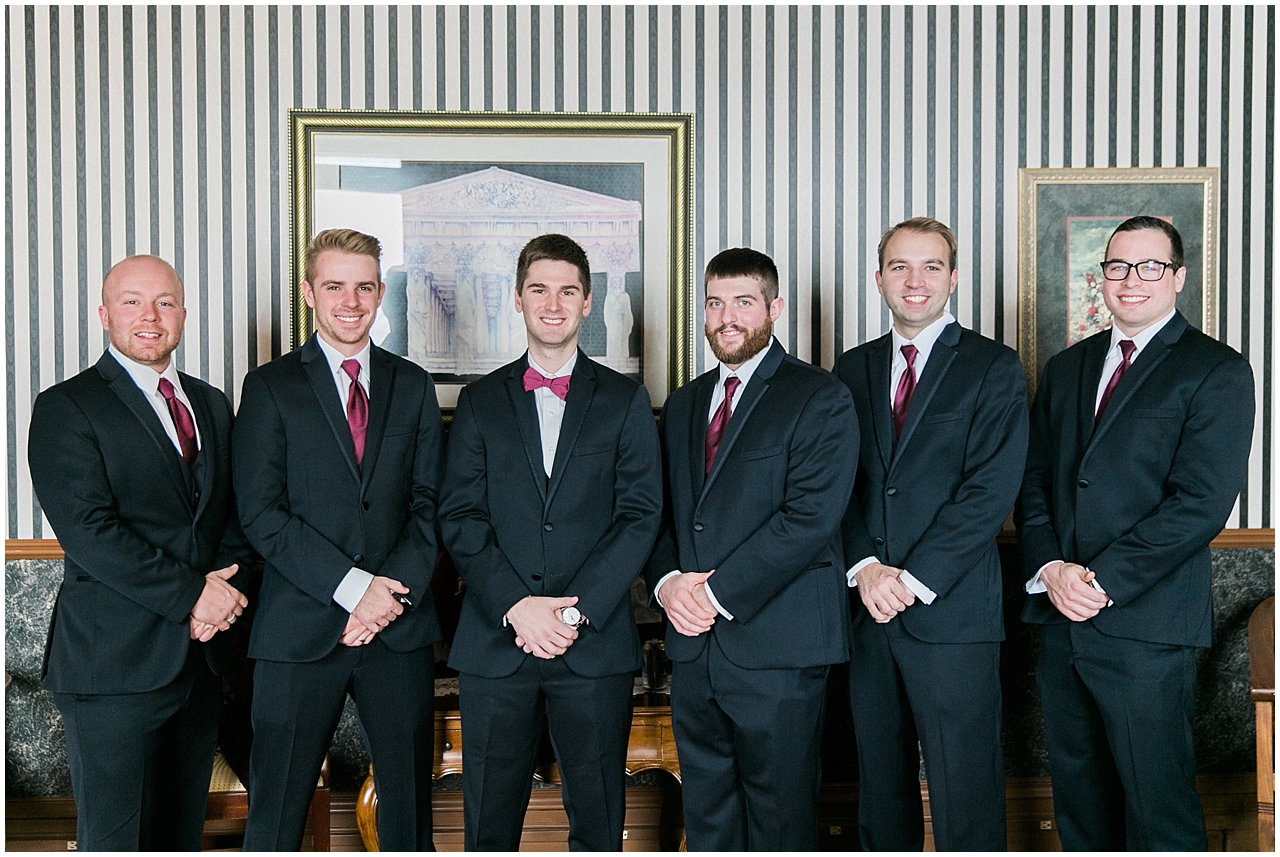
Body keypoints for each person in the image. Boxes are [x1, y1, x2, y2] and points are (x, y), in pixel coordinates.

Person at [1017, 215, 1255, 850]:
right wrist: (1050, 571)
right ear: (1102, 278)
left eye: (1150, 267)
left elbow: (1200, 505)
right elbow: (1034, 480)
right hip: (1062, 616)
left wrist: (1101, 581)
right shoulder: (1068, 368)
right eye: (1118, 266)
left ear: (1177, 278)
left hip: (1147, 624)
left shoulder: (1216, 371)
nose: (1131, 280)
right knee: (1080, 798)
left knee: (1157, 802)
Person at [440, 233, 662, 850]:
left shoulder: (624, 400)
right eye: (539, 288)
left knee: (597, 822)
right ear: (517, 299)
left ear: (589, 302)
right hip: (496, 643)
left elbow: (640, 516)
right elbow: (460, 516)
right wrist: (517, 606)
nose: (554, 302)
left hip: (592, 645)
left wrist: (571, 610)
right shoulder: (480, 402)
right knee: (488, 821)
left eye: (568, 290)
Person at [27, 255, 252, 850]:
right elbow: (90, 532)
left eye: (165, 302)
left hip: (201, 662)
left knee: (178, 836)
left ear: (183, 314)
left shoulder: (211, 404)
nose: (149, 316)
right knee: (116, 838)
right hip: (113, 664)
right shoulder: (66, 407)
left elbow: (233, 514)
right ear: (104, 315)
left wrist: (221, 599)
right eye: (131, 301)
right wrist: (193, 596)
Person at [234, 228, 444, 850]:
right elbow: (261, 514)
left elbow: (431, 506)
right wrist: (356, 591)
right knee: (275, 819)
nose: (349, 301)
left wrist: (387, 597)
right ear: (309, 293)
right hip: (299, 628)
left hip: (398, 629)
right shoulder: (270, 388)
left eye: (363, 287)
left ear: (381, 293)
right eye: (334, 286)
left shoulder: (413, 385)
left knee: (408, 819)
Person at [643, 247, 859, 850]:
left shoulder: (819, 397)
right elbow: (654, 512)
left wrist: (712, 592)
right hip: (693, 649)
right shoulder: (684, 403)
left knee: (781, 818)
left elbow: (810, 518)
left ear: (774, 308)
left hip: (780, 646)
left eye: (743, 302)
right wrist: (667, 585)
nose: (726, 317)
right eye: (714, 303)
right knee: (708, 816)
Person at [834, 217, 1028, 851]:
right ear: (879, 278)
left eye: (931, 267)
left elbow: (989, 491)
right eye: (900, 267)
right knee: (879, 788)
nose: (914, 281)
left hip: (952, 612)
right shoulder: (852, 368)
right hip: (867, 611)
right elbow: (838, 485)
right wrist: (865, 568)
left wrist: (911, 581)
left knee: (964, 789)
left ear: (952, 277)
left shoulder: (993, 367)